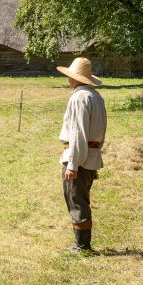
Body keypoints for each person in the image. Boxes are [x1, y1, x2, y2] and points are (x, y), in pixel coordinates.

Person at [57, 56, 107, 253]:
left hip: (80, 157)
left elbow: (78, 133)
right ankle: (81, 244)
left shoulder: (79, 97)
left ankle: (82, 246)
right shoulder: (95, 96)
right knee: (80, 199)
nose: (68, 80)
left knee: (77, 200)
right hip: (90, 156)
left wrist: (72, 164)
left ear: (74, 78)